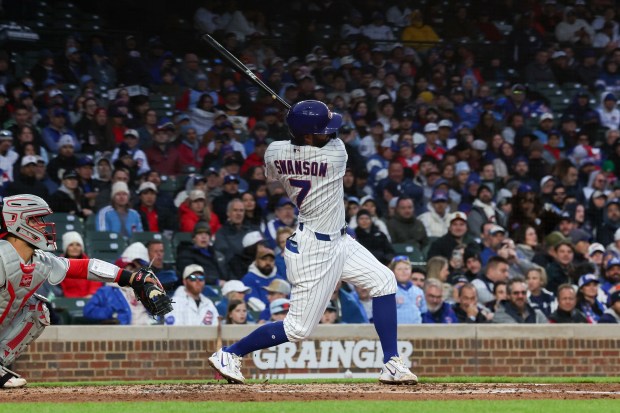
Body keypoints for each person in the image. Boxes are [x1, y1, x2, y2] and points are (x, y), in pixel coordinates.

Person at [208, 100, 418, 385]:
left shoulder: (273, 151)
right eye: (321, 130)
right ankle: (230, 354)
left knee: (384, 281)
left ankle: (391, 363)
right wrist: (304, 130)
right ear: (307, 135)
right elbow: (331, 138)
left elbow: (278, 166)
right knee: (297, 329)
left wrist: (300, 128)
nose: (329, 132)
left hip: (339, 240)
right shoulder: (335, 156)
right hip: (315, 250)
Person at [0, 194, 168, 388]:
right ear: (17, 222)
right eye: (36, 219)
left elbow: (85, 267)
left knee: (38, 310)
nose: (43, 225)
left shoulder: (40, 260)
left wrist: (131, 278)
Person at [58, 231, 101, 298]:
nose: (75, 247)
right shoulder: (59, 264)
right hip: (67, 301)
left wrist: (91, 295)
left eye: (78, 245)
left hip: (89, 299)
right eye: (71, 245)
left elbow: (95, 283)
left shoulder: (91, 264)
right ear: (66, 248)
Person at [391, 256, 426, 324]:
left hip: (416, 331)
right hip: (397, 330)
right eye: (399, 269)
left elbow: (424, 313)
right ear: (393, 271)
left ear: (411, 270)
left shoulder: (419, 291)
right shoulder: (389, 291)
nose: (403, 271)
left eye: (406, 268)